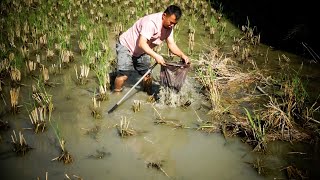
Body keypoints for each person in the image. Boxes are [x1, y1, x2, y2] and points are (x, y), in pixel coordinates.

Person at [114, 5, 190, 94]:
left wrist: (182, 55)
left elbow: (171, 44)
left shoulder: (169, 27)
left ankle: (148, 95)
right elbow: (141, 43)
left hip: (142, 50)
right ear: (164, 15)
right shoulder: (151, 23)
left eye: (174, 24)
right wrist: (156, 56)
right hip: (126, 45)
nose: (172, 25)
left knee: (147, 75)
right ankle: (117, 93)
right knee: (124, 75)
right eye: (171, 22)